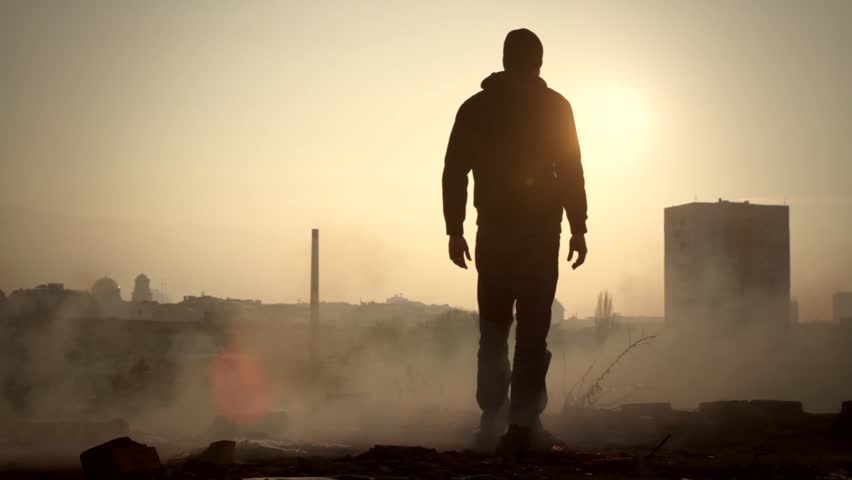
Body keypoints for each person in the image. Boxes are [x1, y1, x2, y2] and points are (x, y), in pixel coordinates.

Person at [442, 28, 588, 454]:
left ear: (505, 60)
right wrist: (578, 227)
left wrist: (454, 229)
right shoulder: (556, 107)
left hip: (495, 234)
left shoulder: (476, 108)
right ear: (539, 62)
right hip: (540, 236)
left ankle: (493, 421)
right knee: (531, 333)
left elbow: (455, 172)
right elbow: (571, 172)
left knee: (493, 330)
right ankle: (522, 427)